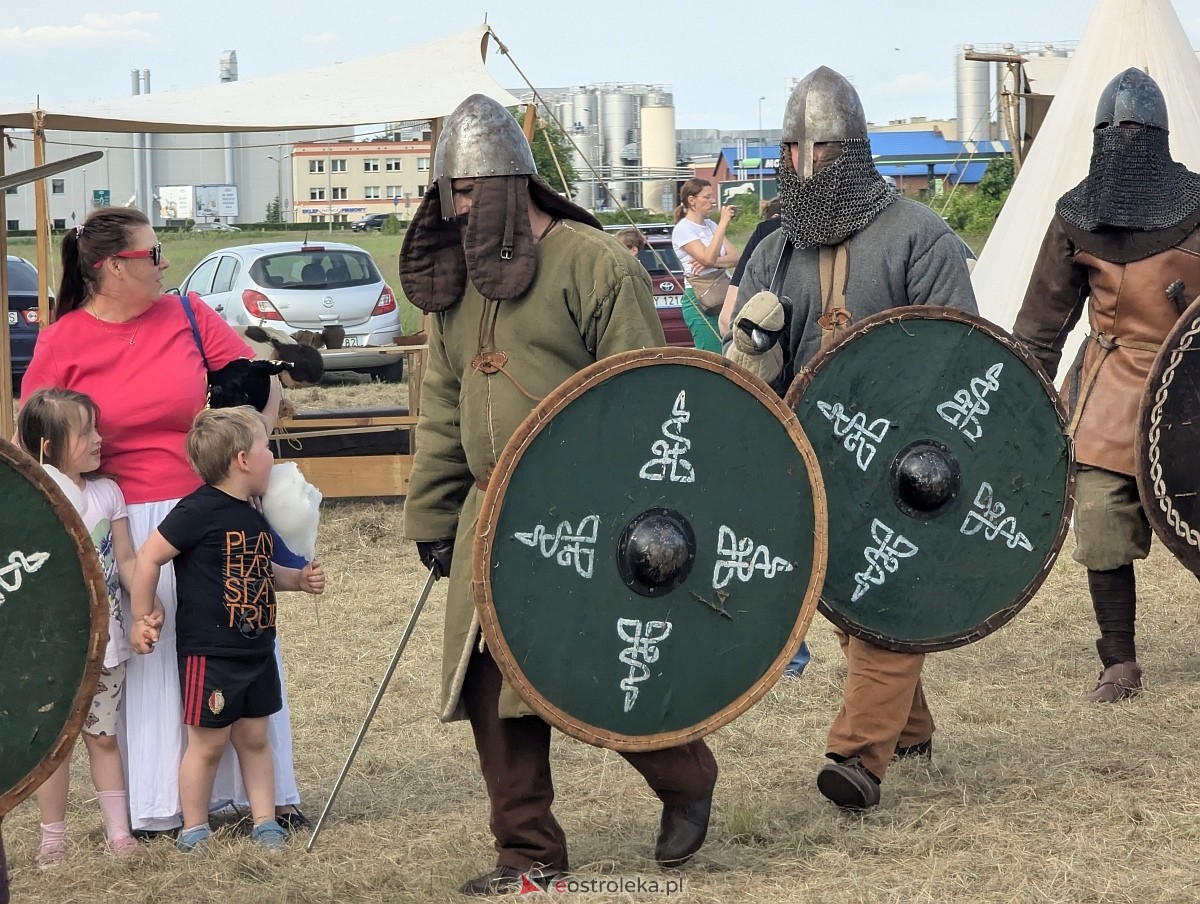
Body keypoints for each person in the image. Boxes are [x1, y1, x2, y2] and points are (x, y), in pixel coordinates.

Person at [399, 93, 719, 896]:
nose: (458, 209)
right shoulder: (457, 284)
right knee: (487, 687)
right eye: (450, 194)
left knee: (593, 670)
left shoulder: (592, 263)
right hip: (488, 514)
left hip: (588, 515)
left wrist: (630, 513)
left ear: (512, 185)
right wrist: (436, 514)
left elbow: (644, 399)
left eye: (469, 192)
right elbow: (444, 402)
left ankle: (684, 777)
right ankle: (527, 855)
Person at [726, 66, 977, 810]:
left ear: (857, 149)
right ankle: (908, 726)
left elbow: (961, 360)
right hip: (819, 455)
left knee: (891, 598)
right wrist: (753, 350)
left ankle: (858, 757)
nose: (808, 167)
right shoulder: (775, 248)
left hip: (908, 464)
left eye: (825, 150)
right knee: (849, 601)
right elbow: (759, 375)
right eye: (796, 151)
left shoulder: (921, 237)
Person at [19, 207, 306, 836]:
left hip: (216, 510)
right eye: (151, 255)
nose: (164, 263)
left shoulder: (189, 314)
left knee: (237, 640)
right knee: (152, 657)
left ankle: (259, 801)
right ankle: (164, 806)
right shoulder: (61, 339)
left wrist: (254, 448)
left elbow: (257, 387)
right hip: (125, 521)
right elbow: (32, 444)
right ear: (111, 269)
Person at [1012, 68, 1200, 703]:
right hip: (1110, 392)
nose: (1124, 141)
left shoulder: (1198, 204)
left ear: (1157, 140)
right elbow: (1041, 324)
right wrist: (1021, 403)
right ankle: (1119, 661)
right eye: (1114, 133)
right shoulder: (1076, 213)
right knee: (1099, 520)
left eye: (1133, 133)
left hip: (1193, 388)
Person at [129, 407, 326, 852]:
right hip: (211, 653)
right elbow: (149, 557)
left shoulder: (256, 512)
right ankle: (194, 827)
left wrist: (296, 579)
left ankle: (265, 820)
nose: (272, 457)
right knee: (207, 744)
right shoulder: (197, 510)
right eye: (266, 448)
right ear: (242, 460)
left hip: (256, 648)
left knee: (255, 738)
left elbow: (258, 568)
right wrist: (143, 614)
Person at [18, 389, 144, 866]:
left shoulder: (109, 493)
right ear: (48, 446)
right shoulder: (32, 500)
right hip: (51, 653)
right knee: (54, 748)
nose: (98, 439)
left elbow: (127, 561)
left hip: (107, 646)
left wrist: (146, 605)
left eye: (96, 427)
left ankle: (119, 833)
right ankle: (53, 838)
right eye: (85, 431)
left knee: (103, 737)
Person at [672, 179, 740, 352]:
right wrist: (724, 223)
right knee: (712, 353)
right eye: (707, 197)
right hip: (700, 298)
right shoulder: (683, 229)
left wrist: (713, 262)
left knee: (730, 352)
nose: (713, 201)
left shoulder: (710, 225)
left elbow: (735, 258)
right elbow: (707, 258)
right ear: (692, 200)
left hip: (722, 296)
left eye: (713, 197)